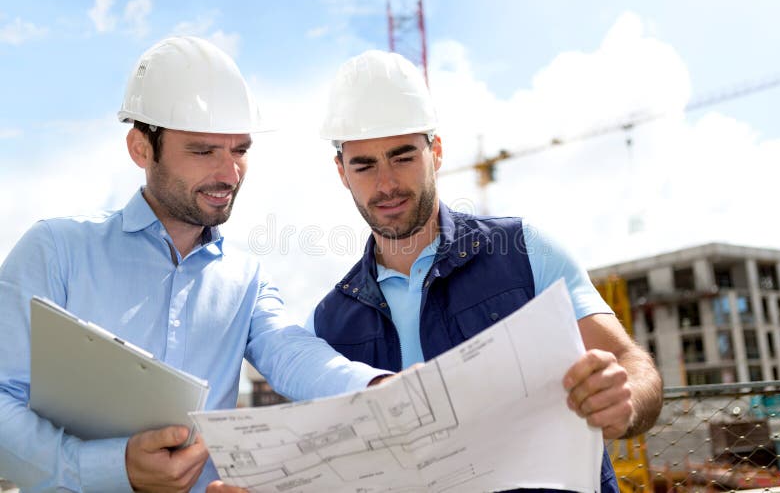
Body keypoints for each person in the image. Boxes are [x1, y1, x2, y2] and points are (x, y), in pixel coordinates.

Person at [208, 51, 664, 493]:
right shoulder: (327, 325)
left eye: (403, 157)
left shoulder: (525, 252)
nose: (385, 184)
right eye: (364, 165)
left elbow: (633, 366)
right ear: (342, 173)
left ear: (436, 152)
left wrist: (625, 398)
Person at [0, 37, 390, 492]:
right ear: (141, 148)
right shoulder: (56, 250)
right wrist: (109, 467)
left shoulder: (247, 278)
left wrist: (374, 389)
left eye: (240, 150)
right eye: (204, 151)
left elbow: (291, 352)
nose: (229, 174)